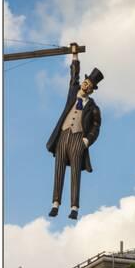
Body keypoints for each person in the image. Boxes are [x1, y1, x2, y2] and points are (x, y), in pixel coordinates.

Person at [46, 43, 103, 220]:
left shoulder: (93, 107)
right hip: (63, 135)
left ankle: (74, 207)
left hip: (79, 139)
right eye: (85, 83)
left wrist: (87, 141)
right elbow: (74, 76)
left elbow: (96, 126)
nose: (85, 86)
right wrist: (75, 56)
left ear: (92, 90)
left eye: (89, 86)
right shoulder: (73, 93)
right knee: (59, 168)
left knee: (75, 173)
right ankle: (55, 203)